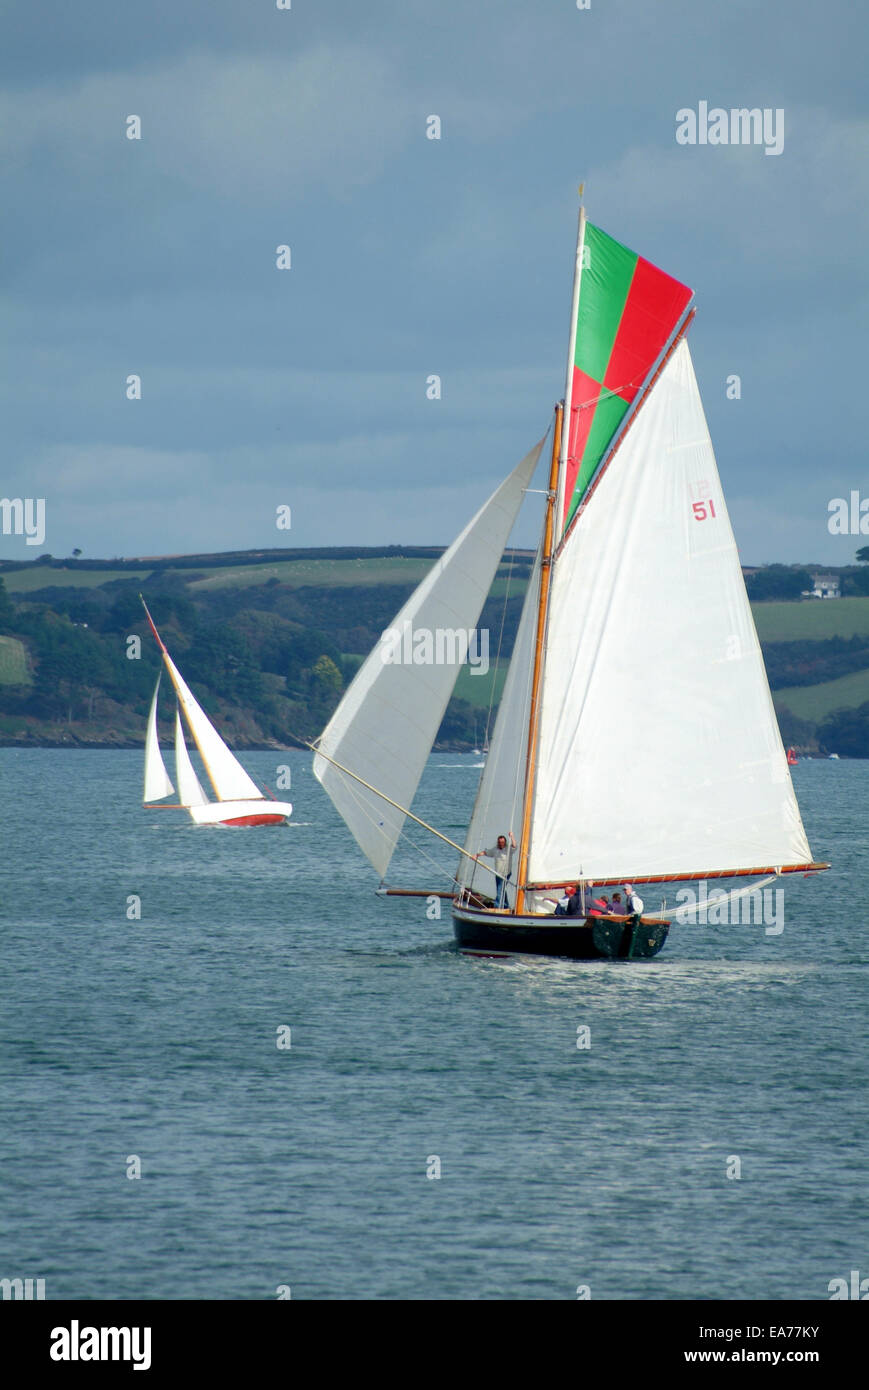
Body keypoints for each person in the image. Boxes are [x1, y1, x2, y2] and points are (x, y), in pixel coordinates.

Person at [476, 831, 516, 908]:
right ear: (498, 842)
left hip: (506, 873)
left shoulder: (508, 849)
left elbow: (514, 846)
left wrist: (512, 836)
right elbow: (486, 852)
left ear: (505, 842)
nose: (501, 844)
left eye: (503, 842)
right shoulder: (495, 850)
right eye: (500, 842)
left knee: (499, 890)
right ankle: (506, 906)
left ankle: (496, 906)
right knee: (502, 890)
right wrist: (476, 855)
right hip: (498, 873)